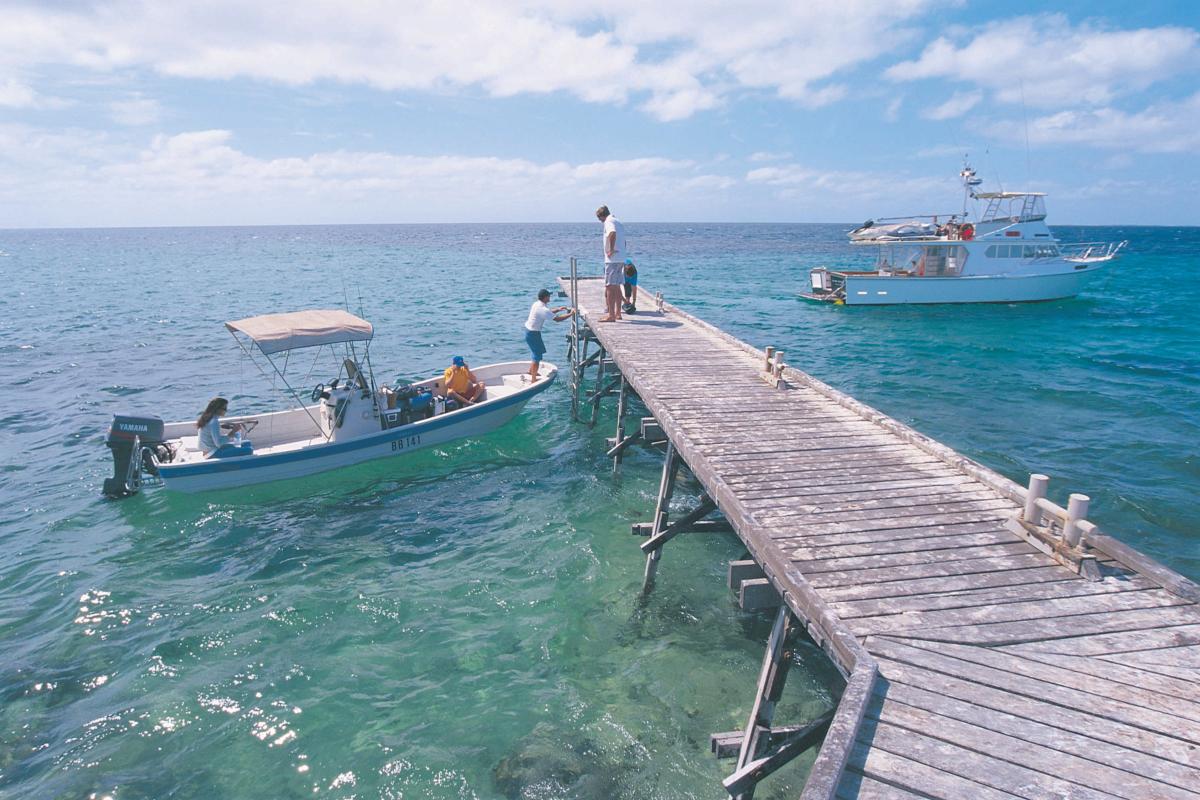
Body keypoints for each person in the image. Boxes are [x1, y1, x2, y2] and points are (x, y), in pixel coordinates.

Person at [524, 288, 573, 381]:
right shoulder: (542, 309)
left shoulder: (537, 304)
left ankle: (531, 371)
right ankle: (533, 379)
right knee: (537, 355)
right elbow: (557, 319)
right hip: (533, 333)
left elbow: (548, 312)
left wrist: (558, 309)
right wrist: (570, 314)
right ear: (545, 297)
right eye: (549, 296)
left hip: (530, 331)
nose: (550, 297)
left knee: (537, 353)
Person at [595, 205, 627, 322]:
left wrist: (611, 249)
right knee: (617, 285)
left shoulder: (608, 222)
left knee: (609, 286)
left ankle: (611, 315)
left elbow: (612, 233)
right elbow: (623, 240)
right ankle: (618, 313)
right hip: (621, 258)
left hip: (612, 259)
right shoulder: (617, 221)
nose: (600, 221)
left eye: (599, 219)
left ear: (602, 216)